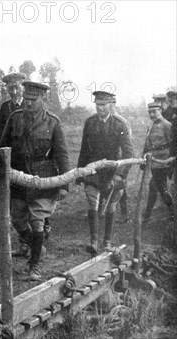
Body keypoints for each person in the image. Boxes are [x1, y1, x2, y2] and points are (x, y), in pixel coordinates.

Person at [0, 81, 70, 281]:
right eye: (27, 99)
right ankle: (37, 247)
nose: (28, 103)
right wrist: (0, 173)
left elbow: (62, 155)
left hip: (43, 180)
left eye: (33, 100)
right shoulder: (14, 118)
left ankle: (34, 266)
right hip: (19, 179)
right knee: (18, 220)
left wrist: (64, 184)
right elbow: (2, 147)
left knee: (37, 223)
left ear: (43, 99)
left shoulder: (53, 122)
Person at [76, 90, 134, 254]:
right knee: (92, 202)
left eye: (103, 105)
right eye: (97, 105)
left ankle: (107, 242)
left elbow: (128, 153)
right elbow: (84, 149)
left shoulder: (120, 124)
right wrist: (80, 172)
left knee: (111, 206)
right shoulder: (90, 123)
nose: (100, 108)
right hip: (93, 170)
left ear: (111, 105)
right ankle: (94, 242)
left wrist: (119, 174)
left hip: (113, 172)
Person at [142, 102, 174, 222]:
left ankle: (169, 214)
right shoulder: (150, 126)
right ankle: (149, 215)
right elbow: (147, 145)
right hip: (153, 163)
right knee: (156, 187)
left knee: (157, 187)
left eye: (154, 111)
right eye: (150, 112)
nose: (152, 114)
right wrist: (143, 159)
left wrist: (171, 162)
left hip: (164, 162)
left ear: (160, 110)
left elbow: (173, 145)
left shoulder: (167, 125)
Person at [0, 72, 26, 142]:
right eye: (10, 88)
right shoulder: (5, 107)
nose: (14, 92)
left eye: (17, 88)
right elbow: (1, 133)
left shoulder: (29, 105)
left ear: (23, 88)